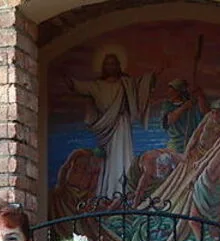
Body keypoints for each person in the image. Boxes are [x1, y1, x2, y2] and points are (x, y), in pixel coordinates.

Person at [65, 51, 156, 197]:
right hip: (106, 129)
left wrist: (153, 76)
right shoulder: (97, 85)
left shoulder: (126, 83)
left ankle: (126, 191)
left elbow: (142, 85)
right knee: (109, 161)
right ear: (103, 67)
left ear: (118, 66)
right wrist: (67, 78)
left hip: (122, 124)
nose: (110, 66)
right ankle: (109, 192)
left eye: (113, 64)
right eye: (107, 64)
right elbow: (79, 86)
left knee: (124, 156)